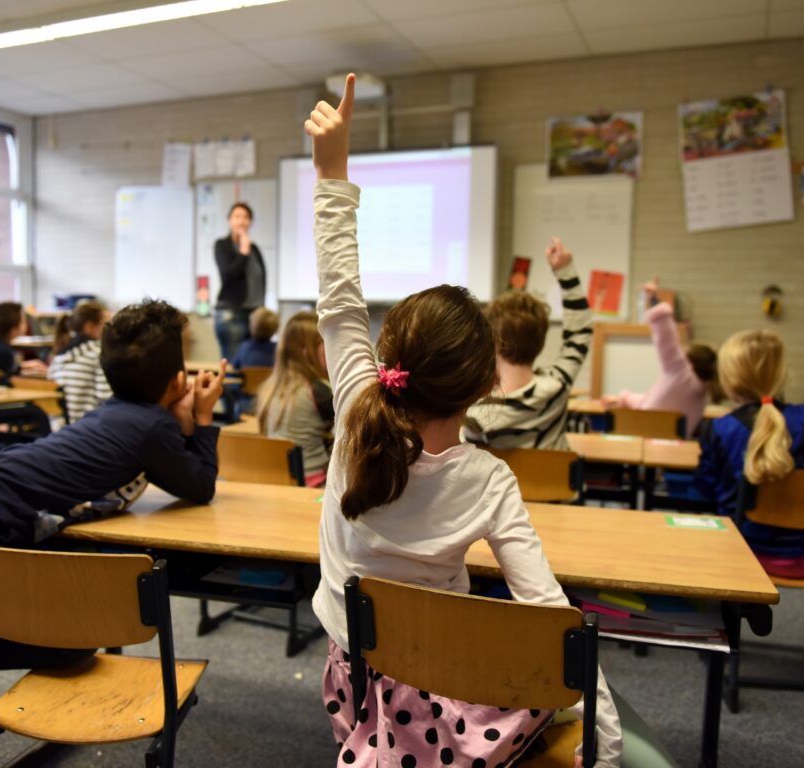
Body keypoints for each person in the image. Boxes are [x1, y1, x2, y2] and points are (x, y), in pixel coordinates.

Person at [304, 74, 621, 768]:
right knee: (520, 658)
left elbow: (339, 298)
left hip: (353, 679)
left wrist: (332, 173)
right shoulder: (489, 479)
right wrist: (606, 740)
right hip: (450, 681)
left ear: (388, 357)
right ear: (482, 385)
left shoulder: (358, 412)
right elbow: (549, 612)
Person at [0, 300, 226, 767]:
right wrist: (205, 417)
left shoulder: (108, 412)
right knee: (76, 641)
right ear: (177, 381)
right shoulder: (152, 425)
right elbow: (200, 486)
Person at [695, 330, 804, 672]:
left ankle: (722, 628)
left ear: (729, 380)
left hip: (741, 558)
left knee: (710, 538)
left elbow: (706, 491)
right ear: (780, 375)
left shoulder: (719, 429)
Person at [464, 239, 593, 450]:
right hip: (553, 483)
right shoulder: (556, 387)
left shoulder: (476, 414)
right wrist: (565, 271)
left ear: (493, 342)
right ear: (540, 341)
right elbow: (581, 332)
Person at [602, 277, 719, 436]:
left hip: (647, 442)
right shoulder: (700, 393)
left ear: (691, 361)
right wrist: (622, 399)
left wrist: (654, 301)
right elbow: (654, 404)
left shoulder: (681, 374)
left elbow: (666, 336)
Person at [257, 310, 333, 487]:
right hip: (313, 484)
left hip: (277, 482)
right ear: (307, 352)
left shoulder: (270, 388)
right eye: (325, 343)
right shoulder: (317, 390)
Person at [214, 202, 266, 363]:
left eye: (246, 217)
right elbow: (228, 274)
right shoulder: (223, 245)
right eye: (237, 216)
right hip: (232, 314)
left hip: (253, 315)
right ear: (229, 220)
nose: (241, 221)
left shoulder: (255, 248)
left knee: (250, 365)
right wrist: (243, 252)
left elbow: (260, 278)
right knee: (233, 367)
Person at [47, 300, 111, 421]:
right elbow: (107, 401)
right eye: (107, 324)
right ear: (90, 327)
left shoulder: (58, 357)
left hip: (59, 430)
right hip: (87, 430)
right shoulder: (99, 355)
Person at [0, 301, 46, 384]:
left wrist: (20, 367)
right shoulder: (3, 351)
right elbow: (2, 382)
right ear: (13, 329)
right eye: (23, 321)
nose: (27, 324)